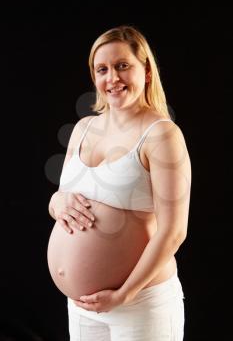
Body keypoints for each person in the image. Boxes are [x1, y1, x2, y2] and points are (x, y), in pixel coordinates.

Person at [48, 25, 191, 341]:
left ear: (147, 71)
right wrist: (55, 203)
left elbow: (173, 231)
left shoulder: (162, 135)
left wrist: (124, 294)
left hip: (139, 305)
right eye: (102, 69)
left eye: (122, 65)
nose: (112, 78)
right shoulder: (84, 128)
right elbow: (61, 197)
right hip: (82, 308)